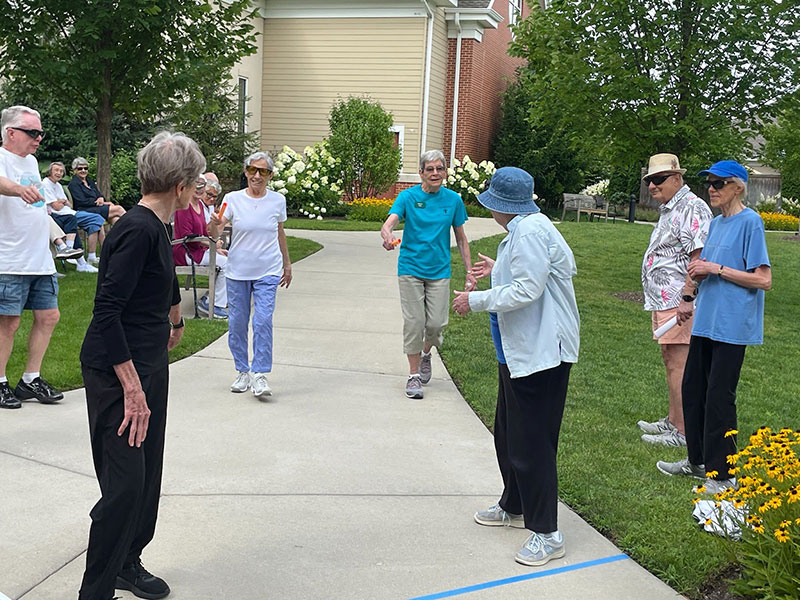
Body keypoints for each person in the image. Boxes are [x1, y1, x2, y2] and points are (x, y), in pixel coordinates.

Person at [77, 131, 205, 600]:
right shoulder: (137, 228)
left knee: (148, 474)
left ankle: (128, 562)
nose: (197, 190)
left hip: (149, 363)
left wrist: (175, 318)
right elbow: (106, 312)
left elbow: (162, 276)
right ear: (181, 186)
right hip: (117, 373)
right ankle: (96, 591)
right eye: (195, 182)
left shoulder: (157, 225)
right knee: (126, 484)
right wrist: (132, 389)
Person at [452, 166, 580, 567]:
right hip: (518, 353)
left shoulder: (530, 231)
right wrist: (498, 269)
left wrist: (474, 300)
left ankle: (548, 533)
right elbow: (529, 274)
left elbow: (529, 289)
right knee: (509, 435)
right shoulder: (523, 230)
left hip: (542, 355)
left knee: (533, 445)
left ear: (502, 206)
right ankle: (515, 504)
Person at [657, 161, 771, 496]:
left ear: (738, 186)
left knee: (720, 398)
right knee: (694, 392)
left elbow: (763, 279)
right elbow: (702, 268)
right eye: (708, 182)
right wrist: (689, 294)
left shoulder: (751, 222)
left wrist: (716, 268)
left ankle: (723, 476)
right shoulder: (717, 223)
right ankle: (697, 461)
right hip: (706, 321)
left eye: (719, 183)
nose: (711, 188)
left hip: (732, 326)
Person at [380, 149, 475, 399]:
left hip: (439, 271)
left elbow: (462, 239)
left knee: (435, 324)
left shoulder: (453, 200)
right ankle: (413, 376)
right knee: (414, 322)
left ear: (445, 172)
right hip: (411, 268)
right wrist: (388, 234)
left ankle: (425, 353)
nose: (435, 173)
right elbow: (390, 221)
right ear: (421, 173)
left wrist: (469, 272)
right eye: (429, 169)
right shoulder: (408, 197)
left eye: (439, 168)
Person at [638, 153, 712, 447]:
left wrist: (687, 297)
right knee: (670, 359)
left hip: (678, 301)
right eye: (649, 181)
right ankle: (673, 420)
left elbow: (699, 256)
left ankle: (682, 432)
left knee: (680, 363)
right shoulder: (671, 208)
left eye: (659, 180)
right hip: (663, 299)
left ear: (677, 178)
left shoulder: (693, 207)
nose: (653, 186)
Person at [208, 152, 291, 399]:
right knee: (237, 323)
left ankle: (259, 373)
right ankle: (242, 370)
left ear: (270, 176)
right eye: (253, 170)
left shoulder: (277, 201)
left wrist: (287, 263)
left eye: (263, 172)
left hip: (268, 269)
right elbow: (215, 231)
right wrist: (213, 223)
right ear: (245, 172)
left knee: (263, 320)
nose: (257, 176)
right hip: (238, 270)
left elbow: (280, 232)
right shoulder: (232, 199)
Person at [0, 105, 65, 409]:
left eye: (40, 132)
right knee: (8, 322)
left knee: (49, 316)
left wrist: (56, 236)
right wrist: (16, 190)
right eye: (32, 132)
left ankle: (29, 380)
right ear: (11, 132)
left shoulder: (32, 162)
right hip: (9, 259)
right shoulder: (2, 159)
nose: (39, 137)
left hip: (40, 258)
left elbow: (38, 207)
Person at [172, 175, 228, 318]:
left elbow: (207, 234)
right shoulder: (184, 207)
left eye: (202, 185)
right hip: (185, 252)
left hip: (198, 250)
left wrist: (216, 248)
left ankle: (211, 299)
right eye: (196, 185)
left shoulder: (201, 208)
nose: (199, 189)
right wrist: (211, 244)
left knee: (228, 258)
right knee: (227, 264)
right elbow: (187, 237)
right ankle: (213, 304)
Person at [42, 161, 103, 272]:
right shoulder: (46, 184)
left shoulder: (58, 185)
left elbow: (68, 204)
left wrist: (62, 201)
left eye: (61, 171)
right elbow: (56, 207)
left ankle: (87, 257)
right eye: (56, 170)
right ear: (50, 172)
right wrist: (62, 202)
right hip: (58, 215)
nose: (59, 173)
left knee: (97, 220)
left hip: (69, 213)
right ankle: (78, 257)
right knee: (81, 220)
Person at [68, 156, 126, 261]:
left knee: (116, 219)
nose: (83, 171)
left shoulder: (89, 181)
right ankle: (131, 232)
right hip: (85, 210)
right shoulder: (74, 184)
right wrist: (98, 202)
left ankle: (112, 250)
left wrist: (101, 199)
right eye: (80, 168)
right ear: (74, 170)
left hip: (96, 208)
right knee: (118, 209)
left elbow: (100, 196)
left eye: (85, 168)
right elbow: (81, 201)